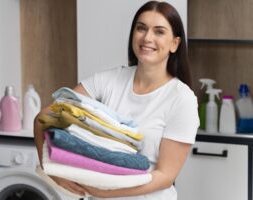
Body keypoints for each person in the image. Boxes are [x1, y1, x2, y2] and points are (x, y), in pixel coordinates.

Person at [34, 1, 199, 199]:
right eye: (141, 28)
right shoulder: (106, 81)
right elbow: (43, 118)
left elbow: (165, 176)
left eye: (159, 31)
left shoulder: (182, 99)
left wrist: (106, 192)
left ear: (175, 44)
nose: (147, 37)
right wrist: (50, 168)